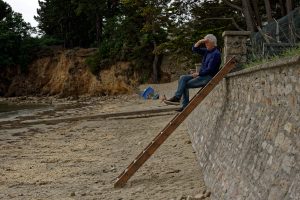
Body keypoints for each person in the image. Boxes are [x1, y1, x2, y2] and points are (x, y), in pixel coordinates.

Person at [164, 34, 221, 112]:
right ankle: (177, 98)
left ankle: (184, 105)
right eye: (205, 42)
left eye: (207, 42)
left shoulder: (216, 54)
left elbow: (210, 69)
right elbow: (194, 49)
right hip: (202, 75)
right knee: (182, 78)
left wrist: (198, 73)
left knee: (184, 85)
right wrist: (200, 41)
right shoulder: (207, 51)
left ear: (212, 42)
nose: (205, 44)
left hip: (208, 77)